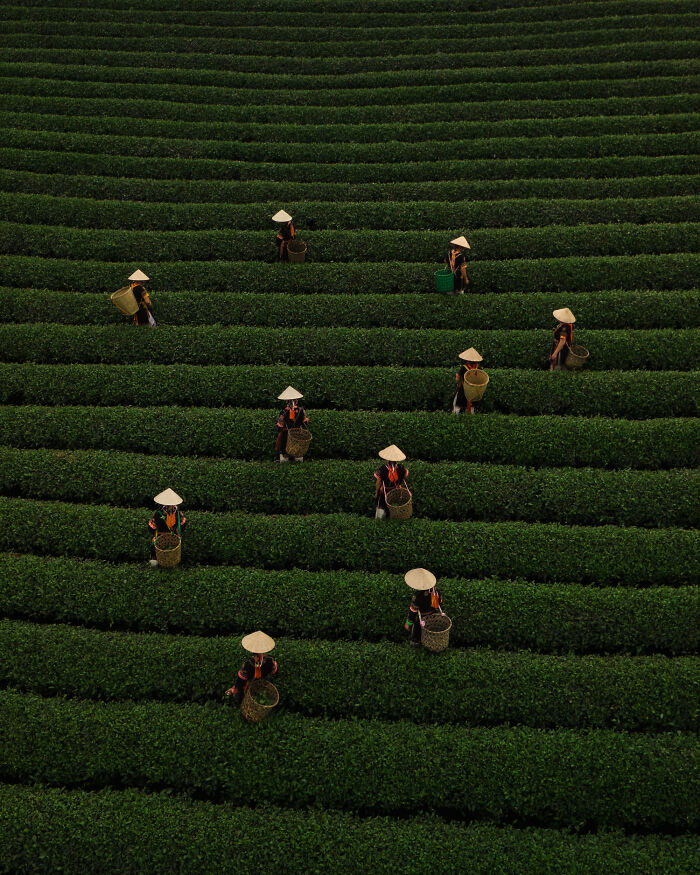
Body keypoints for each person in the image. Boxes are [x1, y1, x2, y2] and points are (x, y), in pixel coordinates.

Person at [225, 631, 278, 705]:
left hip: (250, 687)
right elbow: (273, 670)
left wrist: (234, 688)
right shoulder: (269, 660)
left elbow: (241, 679)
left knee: (247, 702)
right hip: (263, 686)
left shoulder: (247, 664)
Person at [404, 568, 443, 646]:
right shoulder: (435, 591)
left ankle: (416, 643)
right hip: (433, 617)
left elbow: (413, 611)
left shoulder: (418, 596)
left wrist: (408, 623)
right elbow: (440, 603)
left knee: (417, 633)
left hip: (421, 618)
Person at [148, 488, 186, 568]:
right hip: (170, 536)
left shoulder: (159, 514)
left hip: (166, 537)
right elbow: (183, 525)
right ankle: (168, 563)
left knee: (156, 547)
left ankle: (158, 562)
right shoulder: (177, 514)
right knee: (172, 550)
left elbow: (151, 527)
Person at [374, 445, 409, 520]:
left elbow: (378, 481)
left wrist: (376, 492)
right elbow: (406, 475)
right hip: (397, 492)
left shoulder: (382, 469)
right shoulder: (401, 467)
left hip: (385, 492)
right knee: (395, 510)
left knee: (381, 510)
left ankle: (380, 521)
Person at [276, 386, 309, 462]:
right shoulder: (301, 410)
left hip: (287, 433)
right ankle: (297, 459)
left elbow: (280, 426)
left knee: (285, 449)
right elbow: (305, 422)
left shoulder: (284, 412)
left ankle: (285, 459)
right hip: (298, 433)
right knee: (298, 450)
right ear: (296, 401)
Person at [453, 347, 483, 415]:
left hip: (464, 390)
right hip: (474, 391)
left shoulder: (464, 367)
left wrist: (458, 381)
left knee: (458, 407)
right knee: (472, 408)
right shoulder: (479, 368)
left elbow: (458, 378)